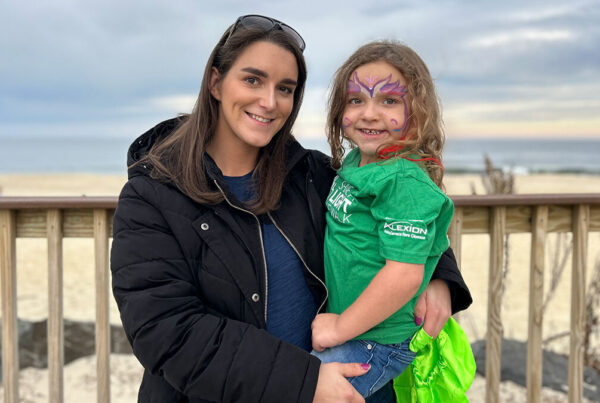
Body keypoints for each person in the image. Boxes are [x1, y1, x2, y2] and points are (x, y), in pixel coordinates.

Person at [110, 15, 472, 403]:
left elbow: (398, 217)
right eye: (252, 80)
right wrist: (304, 381)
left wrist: (440, 278)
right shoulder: (152, 198)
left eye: (285, 88)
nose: (269, 102)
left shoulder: (310, 175)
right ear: (216, 82)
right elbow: (167, 331)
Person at [310, 40, 467, 400]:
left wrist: (338, 329)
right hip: (358, 331)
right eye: (356, 100)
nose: (369, 113)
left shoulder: (403, 182)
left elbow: (404, 273)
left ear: (419, 111)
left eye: (389, 100)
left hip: (375, 340)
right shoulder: (356, 164)